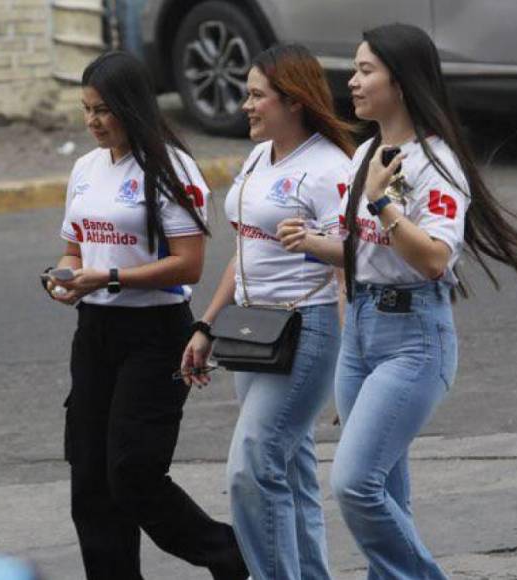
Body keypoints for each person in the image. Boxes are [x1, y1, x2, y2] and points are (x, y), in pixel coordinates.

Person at [280, 24, 517, 579]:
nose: (352, 82)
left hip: (414, 340)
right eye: (355, 70)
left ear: (401, 83)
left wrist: (383, 202)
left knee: (354, 484)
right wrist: (316, 246)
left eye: (366, 71)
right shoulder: (365, 154)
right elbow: (367, 253)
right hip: (362, 333)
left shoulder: (436, 164)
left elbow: (433, 259)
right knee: (385, 493)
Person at [44, 51, 247, 580]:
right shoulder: (85, 169)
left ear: (132, 107)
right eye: (86, 110)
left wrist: (108, 278)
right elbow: (74, 249)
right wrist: (64, 278)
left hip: (155, 333)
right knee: (89, 475)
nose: (92, 122)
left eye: (103, 111)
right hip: (95, 331)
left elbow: (189, 265)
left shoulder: (172, 170)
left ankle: (227, 554)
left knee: (132, 472)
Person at [180, 44, 355, 580]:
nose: (245, 105)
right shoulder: (261, 156)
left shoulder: (331, 169)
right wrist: (207, 323)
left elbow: (355, 262)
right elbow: (246, 250)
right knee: (290, 472)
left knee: (250, 471)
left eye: (257, 95)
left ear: (294, 101)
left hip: (308, 329)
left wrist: (354, 367)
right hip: (254, 331)